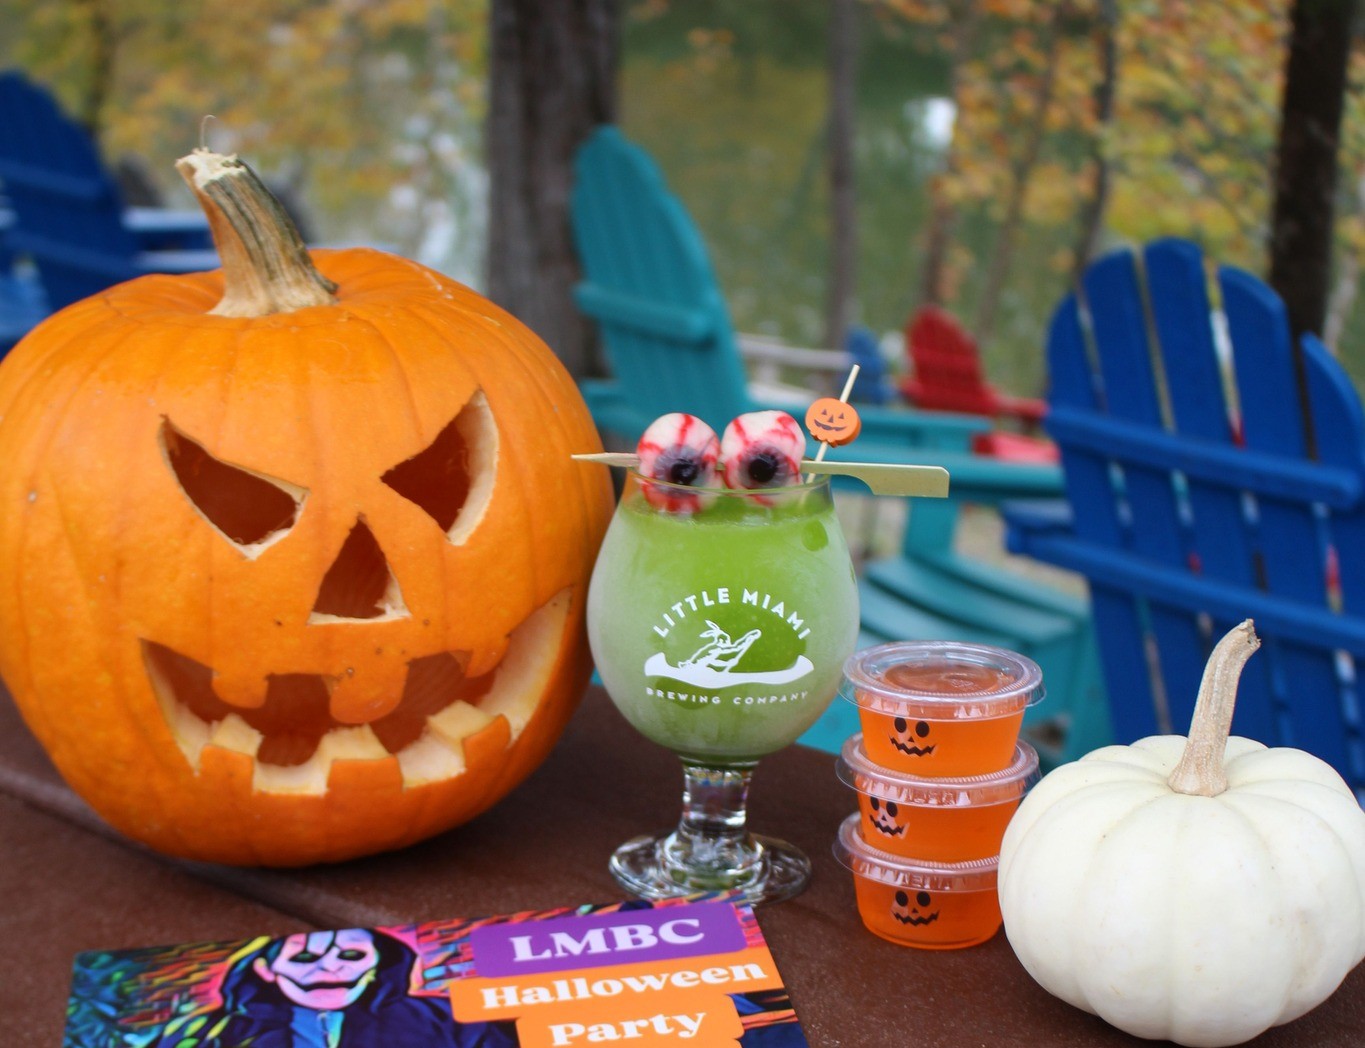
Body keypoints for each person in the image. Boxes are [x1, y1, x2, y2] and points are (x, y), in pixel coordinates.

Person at [155, 928, 515, 1047]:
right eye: (303, 958)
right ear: (265, 969)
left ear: (378, 963)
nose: (331, 966)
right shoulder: (214, 1034)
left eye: (351, 954)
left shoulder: (451, 1021)